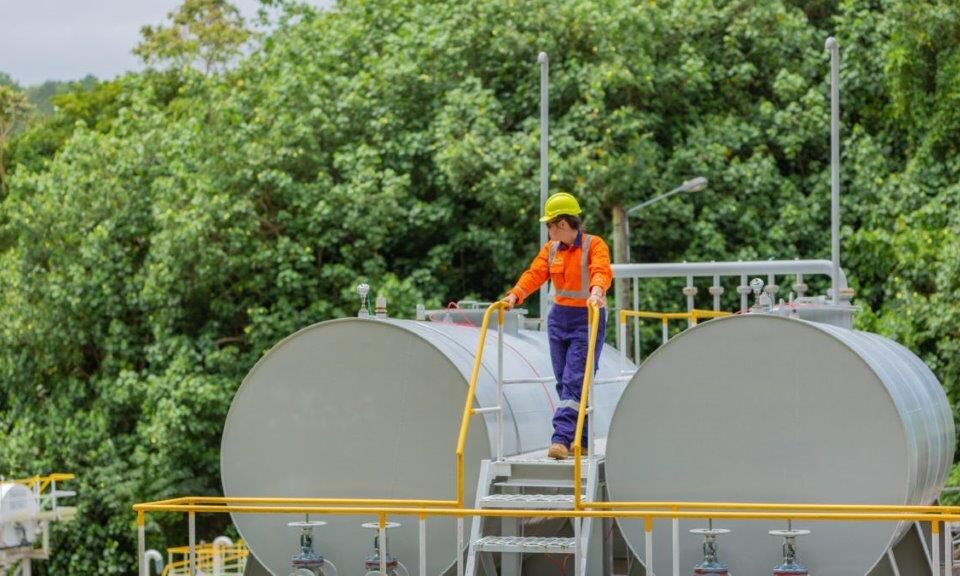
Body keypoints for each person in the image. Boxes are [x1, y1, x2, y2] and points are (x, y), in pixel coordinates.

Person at [502, 192, 612, 459]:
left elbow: (601, 270)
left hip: (587, 317)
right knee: (565, 382)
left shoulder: (594, 244)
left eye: (549, 225)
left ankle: (561, 438)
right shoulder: (551, 249)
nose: (548, 230)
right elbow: (535, 274)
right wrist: (515, 295)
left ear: (562, 223)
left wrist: (597, 292)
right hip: (559, 318)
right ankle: (581, 440)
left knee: (575, 379)